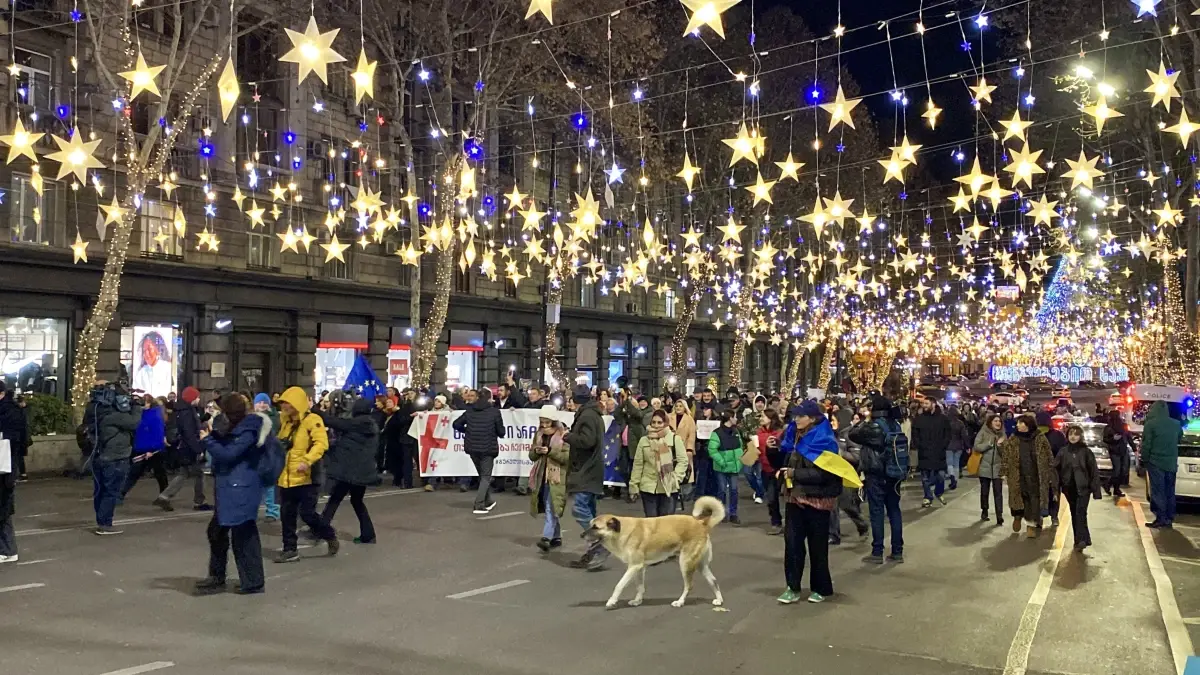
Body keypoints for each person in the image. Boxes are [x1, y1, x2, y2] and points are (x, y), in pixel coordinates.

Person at [194, 393, 269, 595]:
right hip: (232, 489)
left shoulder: (248, 429)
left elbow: (229, 454)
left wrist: (209, 440)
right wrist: (216, 436)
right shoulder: (240, 427)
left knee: (243, 535)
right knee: (217, 532)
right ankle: (218, 577)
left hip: (241, 489)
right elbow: (228, 444)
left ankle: (252, 581)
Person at [776, 401, 843, 604]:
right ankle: (792, 586)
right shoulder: (794, 437)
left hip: (818, 500)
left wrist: (794, 473)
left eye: (800, 416)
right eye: (795, 416)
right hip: (794, 498)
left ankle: (821, 587)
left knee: (817, 546)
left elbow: (825, 474)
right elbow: (784, 460)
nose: (796, 419)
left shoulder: (826, 441)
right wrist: (774, 450)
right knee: (793, 545)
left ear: (812, 418)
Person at [275, 386, 338, 562]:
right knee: (286, 515)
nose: (284, 406)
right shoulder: (286, 422)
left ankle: (329, 535)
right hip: (287, 477)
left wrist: (307, 460)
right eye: (283, 403)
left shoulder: (312, 420)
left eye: (287, 402)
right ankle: (290, 549)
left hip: (307, 477)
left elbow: (321, 444)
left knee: (307, 514)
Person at [850, 394, 906, 565]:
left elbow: (853, 433)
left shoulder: (873, 427)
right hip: (894, 472)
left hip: (877, 474)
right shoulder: (894, 424)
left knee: (877, 512)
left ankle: (877, 551)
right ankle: (897, 551)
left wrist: (864, 419)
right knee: (894, 511)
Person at [318, 397, 380, 544]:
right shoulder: (370, 424)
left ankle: (320, 529)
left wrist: (316, 410)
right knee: (357, 501)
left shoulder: (358, 423)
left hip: (350, 472)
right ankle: (368, 534)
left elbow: (335, 422)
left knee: (335, 499)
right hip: (362, 471)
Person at [90, 386, 144, 535]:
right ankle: (105, 523)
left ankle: (101, 520)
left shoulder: (98, 413)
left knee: (101, 491)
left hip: (101, 457)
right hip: (115, 458)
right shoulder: (114, 416)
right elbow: (134, 422)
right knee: (110, 492)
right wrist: (137, 406)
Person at [565, 384, 608, 570]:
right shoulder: (592, 414)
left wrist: (569, 436)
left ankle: (600, 543)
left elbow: (587, 441)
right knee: (589, 510)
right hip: (590, 469)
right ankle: (594, 550)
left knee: (580, 508)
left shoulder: (588, 415)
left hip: (586, 470)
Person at [155, 386, 211, 512]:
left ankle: (164, 497)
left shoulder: (183, 410)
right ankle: (199, 501)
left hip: (185, 447)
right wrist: (198, 449)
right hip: (190, 447)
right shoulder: (187, 412)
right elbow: (189, 432)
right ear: (192, 398)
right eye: (197, 397)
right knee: (198, 473)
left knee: (185, 473)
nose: (198, 399)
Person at [453, 387, 505, 514]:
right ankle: (479, 504)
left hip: (472, 447)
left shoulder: (470, 411)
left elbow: (456, 424)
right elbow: (501, 431)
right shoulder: (494, 412)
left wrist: (467, 431)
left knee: (482, 476)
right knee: (486, 477)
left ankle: (488, 501)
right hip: (488, 448)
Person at [1001, 414, 1054, 538]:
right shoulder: (1013, 439)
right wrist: (1004, 472)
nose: (1018, 425)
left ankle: (1031, 525)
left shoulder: (1040, 438)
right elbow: (1006, 456)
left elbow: (1049, 455)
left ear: (1028, 425)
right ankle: (1017, 516)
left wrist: (1050, 472)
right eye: (1018, 423)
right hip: (1018, 474)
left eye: (1021, 423)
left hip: (1036, 475)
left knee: (1034, 500)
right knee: (1018, 498)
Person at [629, 409, 689, 517]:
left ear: (665, 423)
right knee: (651, 524)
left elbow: (683, 461)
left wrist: (676, 478)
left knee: (665, 525)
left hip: (669, 487)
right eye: (654, 422)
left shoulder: (675, 439)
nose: (656, 425)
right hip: (648, 487)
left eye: (659, 422)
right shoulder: (644, 440)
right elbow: (638, 464)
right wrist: (634, 484)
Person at [1053, 424, 1102, 551]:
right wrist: (1055, 488)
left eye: (1076, 434)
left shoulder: (1086, 452)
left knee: (1081, 512)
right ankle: (1080, 540)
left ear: (1080, 436)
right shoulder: (1063, 451)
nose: (1073, 437)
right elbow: (1055, 470)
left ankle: (1082, 539)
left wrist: (1096, 491)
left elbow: (1093, 472)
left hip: (1084, 488)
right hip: (1069, 489)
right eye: (1070, 434)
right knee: (1075, 513)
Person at [529, 405, 569, 552]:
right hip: (541, 476)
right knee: (549, 507)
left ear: (553, 421)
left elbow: (566, 457)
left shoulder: (563, 435)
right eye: (542, 422)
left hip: (557, 476)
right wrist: (536, 451)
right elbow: (531, 456)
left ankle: (546, 538)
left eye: (547, 422)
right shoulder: (538, 435)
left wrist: (550, 452)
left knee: (550, 507)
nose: (544, 425)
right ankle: (556, 536)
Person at [1142, 401, 1183, 529]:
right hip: (1171, 463)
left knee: (1158, 491)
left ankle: (1160, 517)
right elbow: (1179, 438)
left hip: (1156, 462)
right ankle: (1169, 518)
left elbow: (1146, 444)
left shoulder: (1151, 424)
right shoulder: (1176, 424)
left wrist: (1145, 459)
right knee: (1170, 491)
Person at [123, 395, 169, 499]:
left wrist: (153, 449)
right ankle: (121, 494)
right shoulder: (146, 414)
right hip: (143, 449)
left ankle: (164, 496)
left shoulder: (152, 415)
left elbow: (156, 433)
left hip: (152, 450)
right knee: (134, 474)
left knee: (159, 474)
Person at [0, 382, 26, 561]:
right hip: (8, 466)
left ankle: (8, 550)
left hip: (5, 467)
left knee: (3, 509)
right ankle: (7, 549)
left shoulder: (8, 412)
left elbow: (16, 440)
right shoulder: (15, 410)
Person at [912, 399, 951, 507]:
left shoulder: (943, 419)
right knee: (925, 477)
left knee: (941, 476)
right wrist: (919, 445)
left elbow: (947, 434)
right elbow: (915, 434)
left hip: (939, 453)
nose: (924, 405)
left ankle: (938, 492)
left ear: (933, 404)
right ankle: (927, 497)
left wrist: (943, 445)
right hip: (924, 453)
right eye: (923, 404)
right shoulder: (919, 419)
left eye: (926, 403)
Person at [708, 410, 743, 526]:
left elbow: (740, 446)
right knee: (722, 491)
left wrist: (740, 459)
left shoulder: (736, 431)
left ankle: (733, 513)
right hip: (721, 467)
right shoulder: (716, 433)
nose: (737, 419)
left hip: (734, 467)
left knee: (734, 491)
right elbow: (712, 450)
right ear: (730, 419)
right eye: (735, 417)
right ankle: (721, 513)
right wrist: (722, 462)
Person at [973, 412, 1006, 526]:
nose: (998, 423)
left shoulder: (1003, 435)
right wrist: (990, 444)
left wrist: (1001, 446)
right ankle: (984, 511)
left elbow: (1005, 453)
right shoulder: (983, 432)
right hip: (984, 467)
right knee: (984, 492)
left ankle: (999, 515)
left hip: (997, 468)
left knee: (998, 493)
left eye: (999, 421)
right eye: (995, 421)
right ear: (990, 423)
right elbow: (977, 447)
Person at [757, 408, 785, 535]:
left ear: (770, 418)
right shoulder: (759, 433)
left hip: (776, 469)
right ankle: (775, 519)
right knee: (769, 496)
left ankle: (777, 523)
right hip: (764, 468)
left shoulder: (779, 433)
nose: (761, 418)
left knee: (773, 496)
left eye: (763, 416)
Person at [254, 394, 280, 521]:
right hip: (256, 455)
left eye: (265, 402)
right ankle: (252, 509)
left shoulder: (275, 418)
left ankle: (272, 511)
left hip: (270, 454)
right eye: (259, 402)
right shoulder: (252, 418)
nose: (262, 404)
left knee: (270, 485)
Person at [669, 398, 697, 512]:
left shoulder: (689, 419)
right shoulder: (669, 417)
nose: (678, 408)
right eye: (677, 406)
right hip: (671, 448)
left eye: (680, 406)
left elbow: (691, 435)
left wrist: (690, 449)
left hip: (684, 448)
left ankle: (683, 495)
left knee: (685, 472)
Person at [1102, 410, 1131, 499]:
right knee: (1117, 470)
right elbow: (1105, 439)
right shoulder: (1109, 427)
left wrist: (1134, 448)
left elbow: (1129, 437)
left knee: (1123, 471)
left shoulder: (1123, 426)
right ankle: (1110, 485)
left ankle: (1114, 488)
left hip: (1123, 450)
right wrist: (1113, 439)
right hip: (1115, 451)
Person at [946, 408, 972, 491]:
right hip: (958, 446)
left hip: (948, 445)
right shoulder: (960, 423)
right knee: (956, 464)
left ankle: (952, 478)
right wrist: (968, 446)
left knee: (949, 463)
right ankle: (955, 480)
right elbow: (964, 436)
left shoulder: (946, 423)